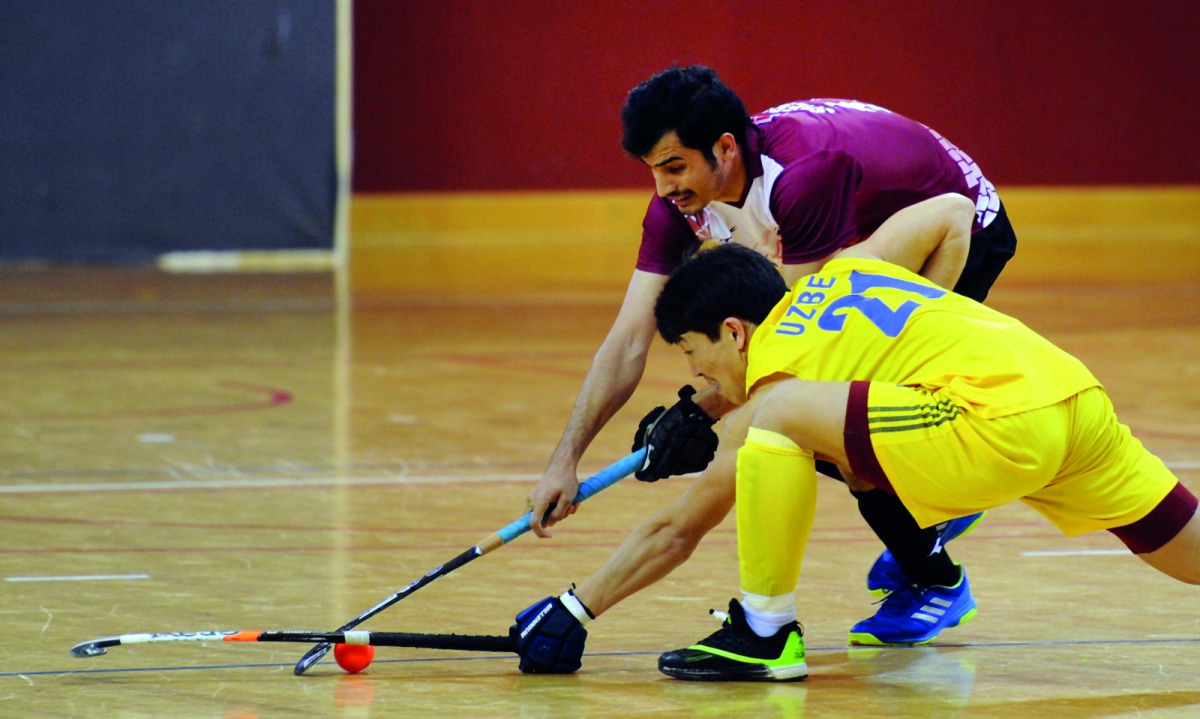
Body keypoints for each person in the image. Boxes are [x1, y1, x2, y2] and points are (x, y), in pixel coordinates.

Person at [509, 195, 1198, 681]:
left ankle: (766, 633)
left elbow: (679, 528)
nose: (697, 376)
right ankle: (917, 501)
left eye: (695, 356)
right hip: (1069, 394)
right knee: (1180, 538)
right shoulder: (842, 269)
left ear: (735, 331)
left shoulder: (779, 389)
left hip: (988, 421)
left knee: (777, 421)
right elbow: (952, 213)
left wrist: (576, 605)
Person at [528, 64, 1017, 645]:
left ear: (725, 149)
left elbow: (798, 341)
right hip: (859, 224)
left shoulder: (803, 179)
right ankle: (928, 501)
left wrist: (702, 411)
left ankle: (935, 571)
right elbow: (628, 338)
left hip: (959, 221)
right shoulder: (680, 204)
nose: (663, 189)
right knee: (807, 409)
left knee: (823, 408)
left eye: (674, 167)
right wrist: (565, 460)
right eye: (652, 171)